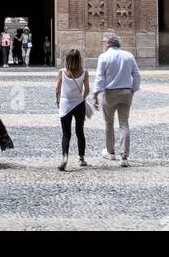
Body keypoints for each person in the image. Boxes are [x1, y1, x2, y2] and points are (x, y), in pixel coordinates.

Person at [92, 32, 141, 165]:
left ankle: (111, 152)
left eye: (103, 42)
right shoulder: (129, 56)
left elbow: (100, 77)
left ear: (109, 43)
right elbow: (136, 75)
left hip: (110, 93)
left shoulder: (104, 57)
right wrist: (133, 89)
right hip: (126, 92)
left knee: (109, 123)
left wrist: (95, 94)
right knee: (124, 124)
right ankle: (124, 157)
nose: (102, 44)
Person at [56, 49, 90, 170]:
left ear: (67, 60)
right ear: (80, 59)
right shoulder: (84, 72)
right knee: (80, 132)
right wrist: (83, 98)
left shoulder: (62, 72)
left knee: (66, 134)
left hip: (65, 104)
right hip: (79, 104)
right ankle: (81, 159)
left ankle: (65, 158)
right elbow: (87, 89)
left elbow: (57, 89)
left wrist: (58, 101)